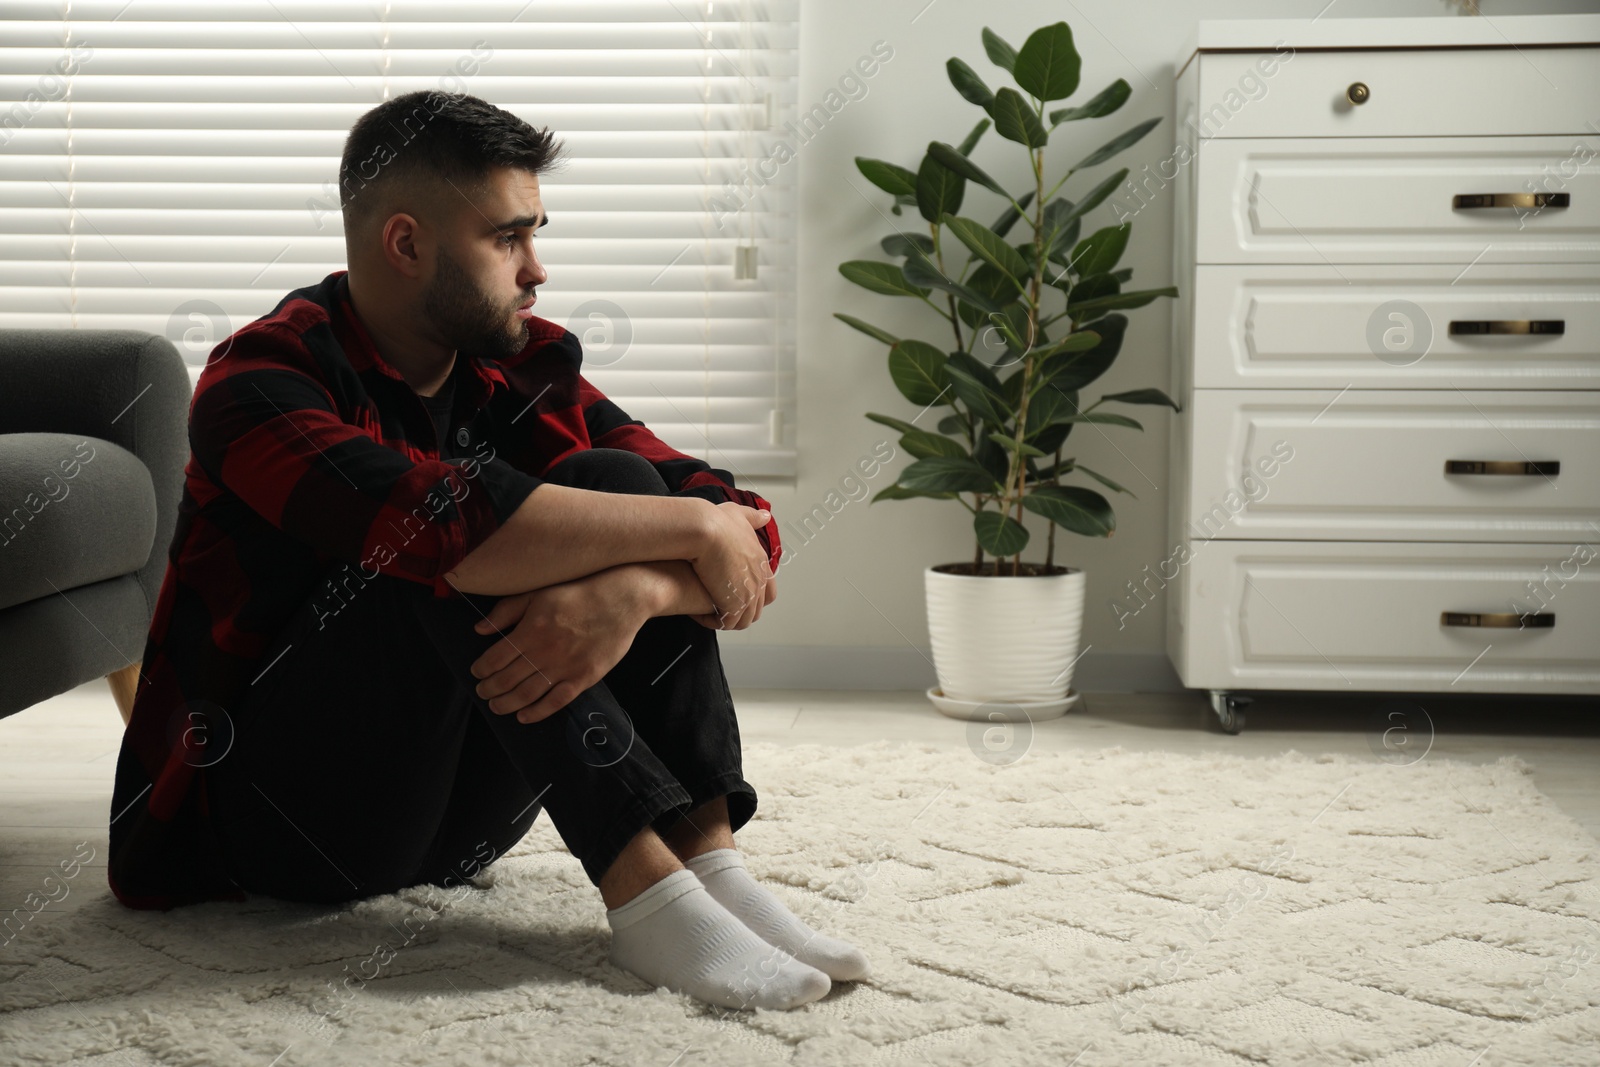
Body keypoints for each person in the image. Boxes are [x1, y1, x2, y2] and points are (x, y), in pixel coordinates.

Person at [106, 89, 868, 1012]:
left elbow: (737, 525)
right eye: (508, 239)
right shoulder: (256, 383)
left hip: (459, 825)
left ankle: (711, 868)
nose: (537, 268)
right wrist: (691, 537)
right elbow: (449, 528)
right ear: (406, 243)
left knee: (614, 488)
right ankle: (644, 893)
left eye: (535, 233)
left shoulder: (516, 369)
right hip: (279, 827)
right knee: (435, 535)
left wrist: (629, 591)